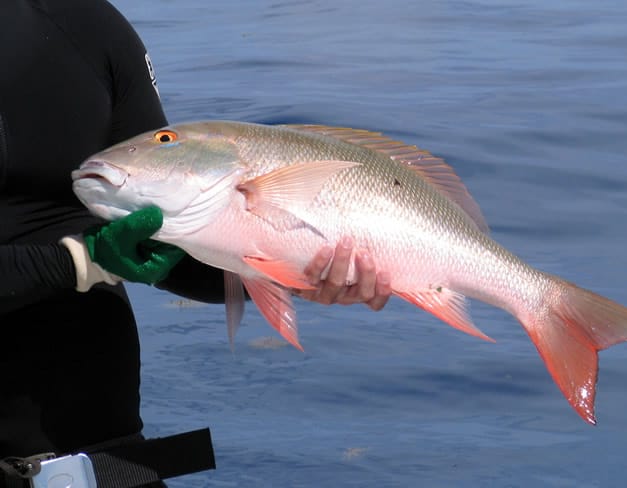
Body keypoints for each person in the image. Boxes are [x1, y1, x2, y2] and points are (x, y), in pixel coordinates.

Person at [0, 0, 390, 479]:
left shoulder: (88, 25)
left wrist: (294, 267)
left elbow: (170, 245)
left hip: (104, 462)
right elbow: (107, 255)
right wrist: (82, 262)